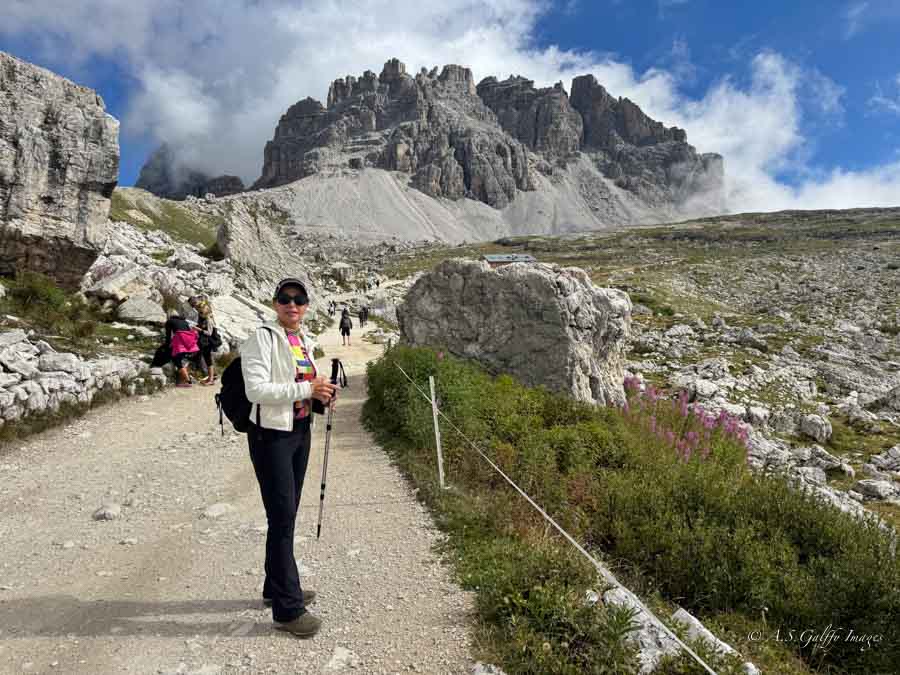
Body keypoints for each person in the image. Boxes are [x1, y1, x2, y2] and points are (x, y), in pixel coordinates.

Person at [240, 278, 337, 639]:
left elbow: (304, 385)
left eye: (298, 299)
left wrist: (321, 394)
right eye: (285, 299)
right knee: (282, 517)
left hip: (299, 431)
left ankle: (274, 586)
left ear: (307, 305)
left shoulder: (303, 339)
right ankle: (287, 610)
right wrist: (307, 389)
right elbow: (257, 390)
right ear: (275, 303)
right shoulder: (261, 339)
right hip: (271, 437)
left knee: (287, 512)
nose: (291, 305)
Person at [164, 310, 199, 387]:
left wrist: (166, 347)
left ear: (168, 316)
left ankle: (188, 381)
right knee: (182, 360)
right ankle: (183, 379)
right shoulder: (184, 321)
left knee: (177, 361)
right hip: (189, 345)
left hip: (180, 346)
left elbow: (168, 336)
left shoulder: (169, 322)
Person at [190, 295, 218, 385]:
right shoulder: (203, 319)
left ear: (205, 312)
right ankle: (210, 378)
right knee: (207, 360)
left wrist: (199, 330)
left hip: (208, 342)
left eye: (201, 312)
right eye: (199, 312)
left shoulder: (209, 320)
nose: (199, 314)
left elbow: (209, 333)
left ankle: (211, 379)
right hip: (204, 342)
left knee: (208, 360)